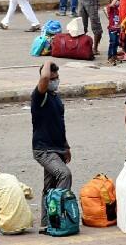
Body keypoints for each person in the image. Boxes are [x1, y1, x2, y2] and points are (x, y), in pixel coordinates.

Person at [31, 61, 72, 230]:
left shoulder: (55, 96)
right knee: (64, 174)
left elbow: (59, 123)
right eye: (51, 79)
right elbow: (45, 76)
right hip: (44, 150)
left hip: (57, 148)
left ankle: (46, 222)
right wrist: (48, 60)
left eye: (57, 78)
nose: (54, 81)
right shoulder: (39, 95)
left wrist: (66, 146)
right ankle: (57, 216)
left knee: (49, 187)